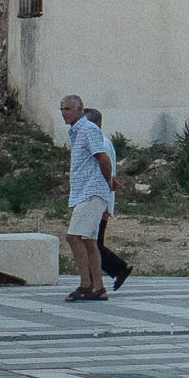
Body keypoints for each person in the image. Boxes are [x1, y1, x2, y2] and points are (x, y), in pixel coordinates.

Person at [58, 94, 115, 302]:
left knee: (73, 237)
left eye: (68, 109)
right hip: (84, 191)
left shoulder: (88, 129)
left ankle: (85, 283)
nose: (64, 114)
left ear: (79, 109)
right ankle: (97, 287)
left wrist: (106, 184)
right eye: (62, 110)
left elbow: (103, 158)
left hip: (91, 191)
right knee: (89, 241)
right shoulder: (76, 132)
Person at [84, 108, 131, 292]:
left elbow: (106, 175)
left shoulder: (100, 145)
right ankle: (109, 273)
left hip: (99, 200)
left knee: (92, 243)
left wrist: (104, 204)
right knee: (91, 242)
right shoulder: (100, 143)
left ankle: (115, 270)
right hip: (97, 199)